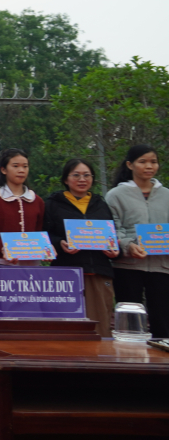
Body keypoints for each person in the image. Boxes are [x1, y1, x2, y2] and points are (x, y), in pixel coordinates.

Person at [45, 158, 117, 337]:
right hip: (66, 273)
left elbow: (112, 235)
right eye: (76, 175)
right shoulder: (53, 204)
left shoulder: (100, 204)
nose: (82, 179)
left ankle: (100, 356)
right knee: (67, 327)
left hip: (98, 272)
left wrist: (115, 250)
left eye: (87, 175)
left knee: (99, 327)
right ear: (66, 179)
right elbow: (44, 234)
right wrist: (59, 243)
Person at [107, 144, 169, 339]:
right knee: (130, 319)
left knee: (162, 319)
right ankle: (129, 355)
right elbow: (112, 230)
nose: (149, 166)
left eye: (153, 162)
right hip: (127, 266)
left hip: (161, 266)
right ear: (130, 165)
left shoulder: (167, 195)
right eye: (142, 162)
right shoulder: (115, 195)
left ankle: (162, 355)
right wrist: (127, 245)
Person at [0, 148, 46, 266]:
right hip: (0, 262)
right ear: (3, 170)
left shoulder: (37, 201)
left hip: (31, 263)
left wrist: (45, 247)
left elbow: (39, 232)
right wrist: (3, 248)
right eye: (15, 166)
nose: (21, 170)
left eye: (25, 166)